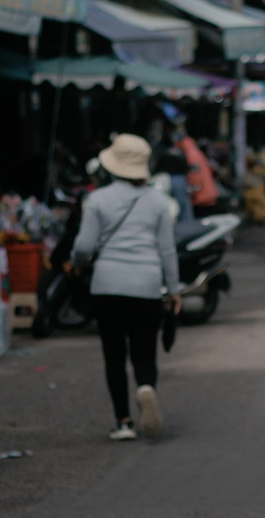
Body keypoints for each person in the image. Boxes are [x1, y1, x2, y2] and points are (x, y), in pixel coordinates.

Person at [72, 134, 182, 441]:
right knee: (145, 353)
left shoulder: (97, 199)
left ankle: (123, 422)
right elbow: (167, 251)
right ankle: (146, 387)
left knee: (114, 354)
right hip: (146, 285)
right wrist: (173, 290)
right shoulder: (160, 202)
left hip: (106, 285)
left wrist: (78, 263)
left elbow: (83, 246)